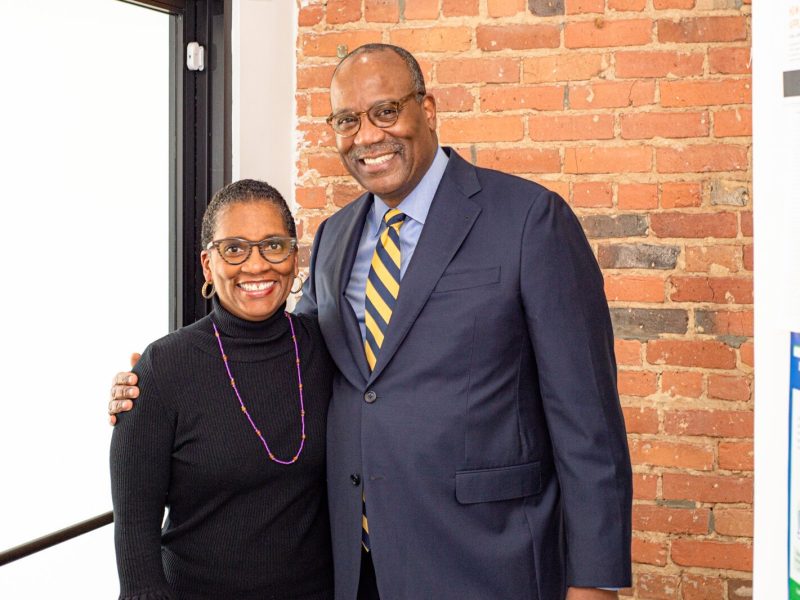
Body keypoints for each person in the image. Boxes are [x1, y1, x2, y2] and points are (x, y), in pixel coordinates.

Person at [111, 44, 632, 599]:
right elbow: (293, 353)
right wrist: (157, 384)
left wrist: (593, 583)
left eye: (386, 111)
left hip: (486, 559)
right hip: (353, 567)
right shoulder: (337, 235)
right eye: (346, 120)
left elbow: (588, 420)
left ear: (426, 109)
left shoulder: (530, 220)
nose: (367, 136)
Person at [110, 179, 335, 600]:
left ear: (293, 256)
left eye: (273, 245)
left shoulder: (328, 348)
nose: (255, 266)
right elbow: (136, 537)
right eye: (234, 249)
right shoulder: (162, 370)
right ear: (207, 265)